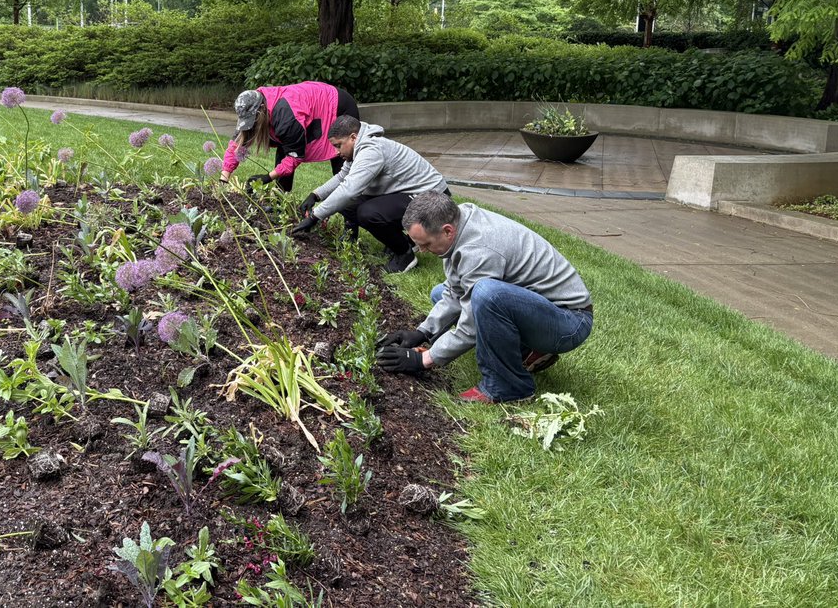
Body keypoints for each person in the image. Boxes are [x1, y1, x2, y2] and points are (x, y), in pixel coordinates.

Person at [376, 192, 593, 403]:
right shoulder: (458, 223)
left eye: (426, 244)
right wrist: (423, 332)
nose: (422, 250)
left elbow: (470, 326)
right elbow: (455, 292)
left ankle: (509, 386)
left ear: (447, 231)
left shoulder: (478, 248)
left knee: (486, 295)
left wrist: (424, 359)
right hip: (540, 310)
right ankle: (527, 351)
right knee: (439, 293)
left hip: (569, 322)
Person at [289, 115, 449, 273]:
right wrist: (315, 195)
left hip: (433, 201)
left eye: (338, 145)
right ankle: (404, 241)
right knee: (349, 205)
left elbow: (349, 190)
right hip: (411, 194)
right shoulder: (358, 149)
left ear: (353, 137)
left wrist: (315, 217)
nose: (336, 152)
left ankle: (404, 255)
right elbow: (342, 177)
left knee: (368, 213)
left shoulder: (371, 150)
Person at [219, 82, 359, 192]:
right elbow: (237, 144)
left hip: (337, 105)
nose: (251, 125)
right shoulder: (250, 105)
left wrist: (267, 178)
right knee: (283, 149)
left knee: (342, 167)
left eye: (253, 121)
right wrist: (223, 180)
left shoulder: (285, 117)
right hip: (305, 106)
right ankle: (280, 205)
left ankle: (350, 224)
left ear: (261, 109)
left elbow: (295, 156)